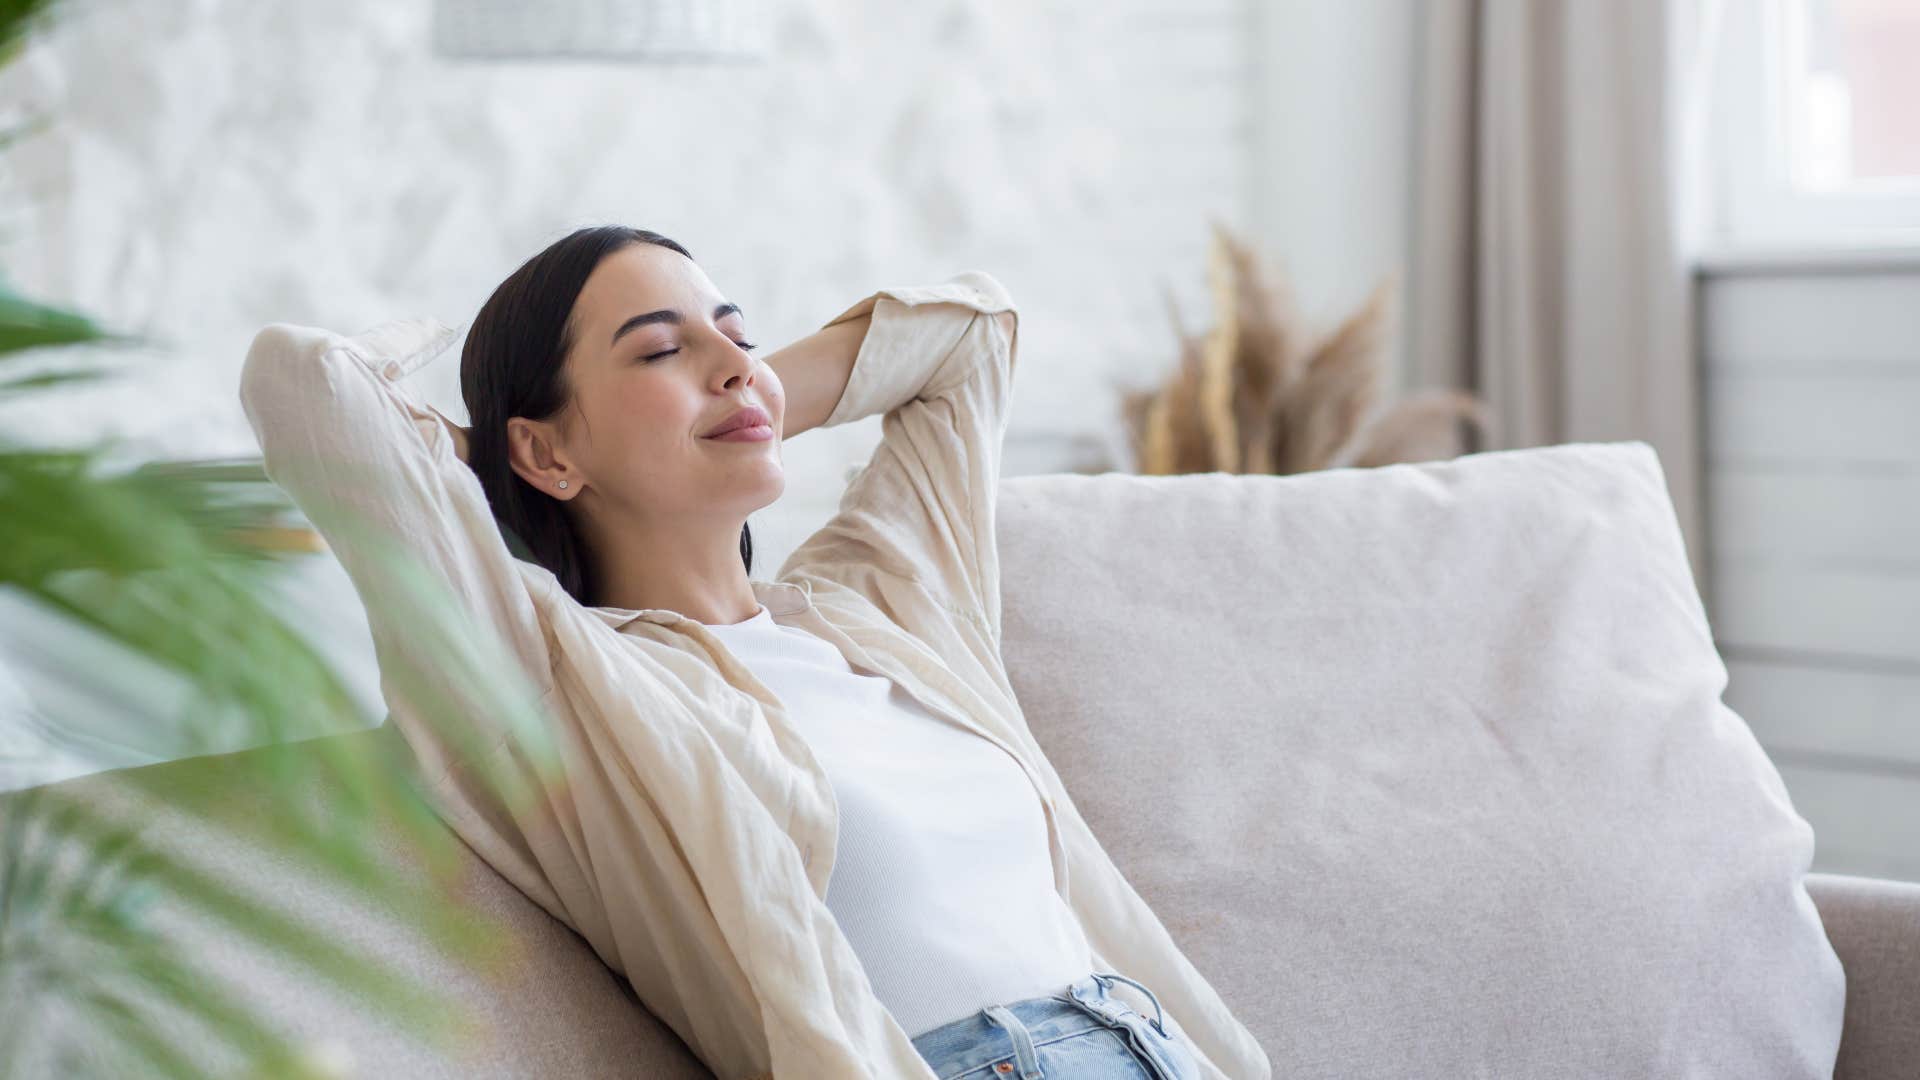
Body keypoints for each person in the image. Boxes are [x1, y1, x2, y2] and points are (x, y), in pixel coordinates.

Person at [239, 225, 1270, 1080]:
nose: (736, 363)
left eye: (739, 336)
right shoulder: (559, 680)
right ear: (544, 449)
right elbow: (311, 391)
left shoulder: (885, 604)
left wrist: (739, 398)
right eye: (657, 350)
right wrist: (500, 465)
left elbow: (970, 338)